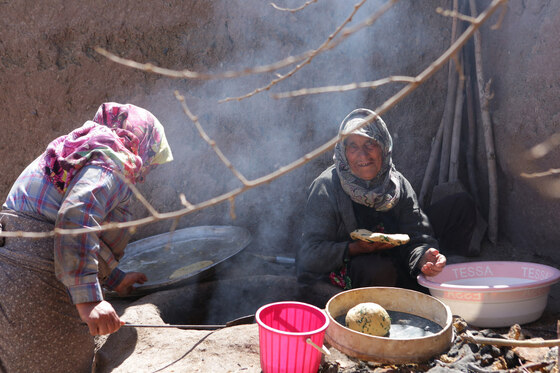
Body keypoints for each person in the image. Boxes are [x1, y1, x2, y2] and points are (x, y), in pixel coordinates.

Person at [0, 103, 173, 372]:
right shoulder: (114, 161)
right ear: (142, 145)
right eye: (152, 161)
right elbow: (74, 217)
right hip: (35, 282)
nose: (148, 171)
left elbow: (70, 228)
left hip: (18, 275)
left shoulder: (86, 152)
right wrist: (89, 301)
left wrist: (116, 278)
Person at [297, 108, 476, 291]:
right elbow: (309, 255)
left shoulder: (396, 184)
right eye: (353, 146)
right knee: (377, 271)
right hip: (352, 269)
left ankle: (447, 273)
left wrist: (424, 257)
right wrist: (355, 248)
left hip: (396, 258)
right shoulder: (327, 187)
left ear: (383, 145)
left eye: (369, 144)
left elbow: (417, 235)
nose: (363, 154)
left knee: (460, 206)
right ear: (343, 152)